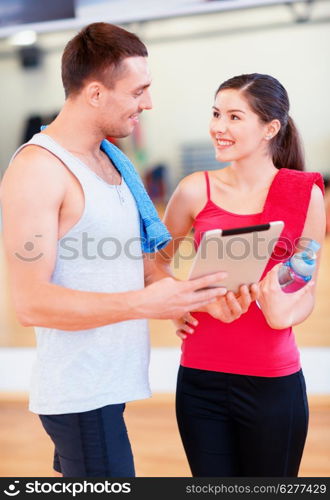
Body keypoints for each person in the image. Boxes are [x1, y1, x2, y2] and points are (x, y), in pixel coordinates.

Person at [0, 23, 229, 478]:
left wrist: (181, 296)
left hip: (110, 384)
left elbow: (132, 264)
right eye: (139, 90)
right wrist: (145, 304)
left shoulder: (111, 161)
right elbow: (30, 304)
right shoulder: (38, 170)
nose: (148, 103)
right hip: (80, 393)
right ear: (96, 94)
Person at [156, 73, 325, 477]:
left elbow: (306, 283)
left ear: (270, 128)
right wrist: (178, 302)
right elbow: (155, 261)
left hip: (272, 381)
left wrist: (283, 312)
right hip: (200, 380)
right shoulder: (195, 190)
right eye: (216, 114)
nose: (219, 127)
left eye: (234, 117)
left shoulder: (306, 193)